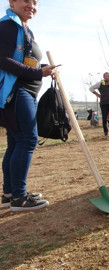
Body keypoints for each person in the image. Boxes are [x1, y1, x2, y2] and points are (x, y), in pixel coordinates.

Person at [0, 0, 56, 211]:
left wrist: (43, 68)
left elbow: (22, 60)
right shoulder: (7, 26)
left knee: (15, 142)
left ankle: (9, 194)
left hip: (25, 90)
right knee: (27, 139)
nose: (31, 5)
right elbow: (2, 59)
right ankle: (19, 198)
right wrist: (36, 73)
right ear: (12, 2)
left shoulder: (22, 27)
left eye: (35, 2)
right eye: (26, 0)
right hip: (16, 91)